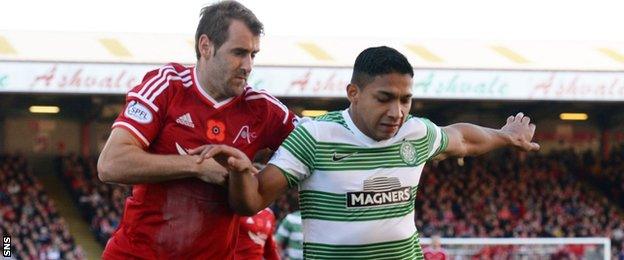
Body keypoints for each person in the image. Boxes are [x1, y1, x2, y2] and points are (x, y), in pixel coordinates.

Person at [197, 46, 540, 259]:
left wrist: (504, 135)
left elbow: (462, 138)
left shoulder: (415, 132)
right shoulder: (315, 137)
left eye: (405, 99)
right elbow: (250, 202)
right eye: (384, 98)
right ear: (354, 92)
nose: (397, 112)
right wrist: (243, 172)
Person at [96, 1, 297, 259]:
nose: (248, 66)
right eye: (238, 52)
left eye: (253, 54)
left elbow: (314, 145)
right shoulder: (167, 85)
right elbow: (110, 164)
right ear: (206, 46)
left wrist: (250, 179)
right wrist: (197, 166)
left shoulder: (263, 108)